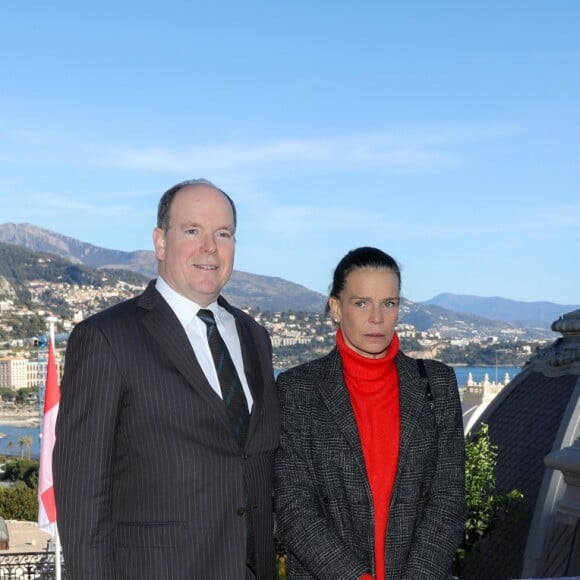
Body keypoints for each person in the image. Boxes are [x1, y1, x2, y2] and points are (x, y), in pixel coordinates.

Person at [53, 179, 279, 580]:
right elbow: (83, 499)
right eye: (193, 230)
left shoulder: (254, 336)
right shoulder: (107, 337)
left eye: (223, 234)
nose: (210, 246)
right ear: (160, 242)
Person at [274, 247, 465, 580]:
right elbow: (294, 505)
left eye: (388, 304)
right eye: (361, 303)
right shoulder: (297, 389)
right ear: (335, 307)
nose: (377, 318)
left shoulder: (437, 384)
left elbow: (447, 500)